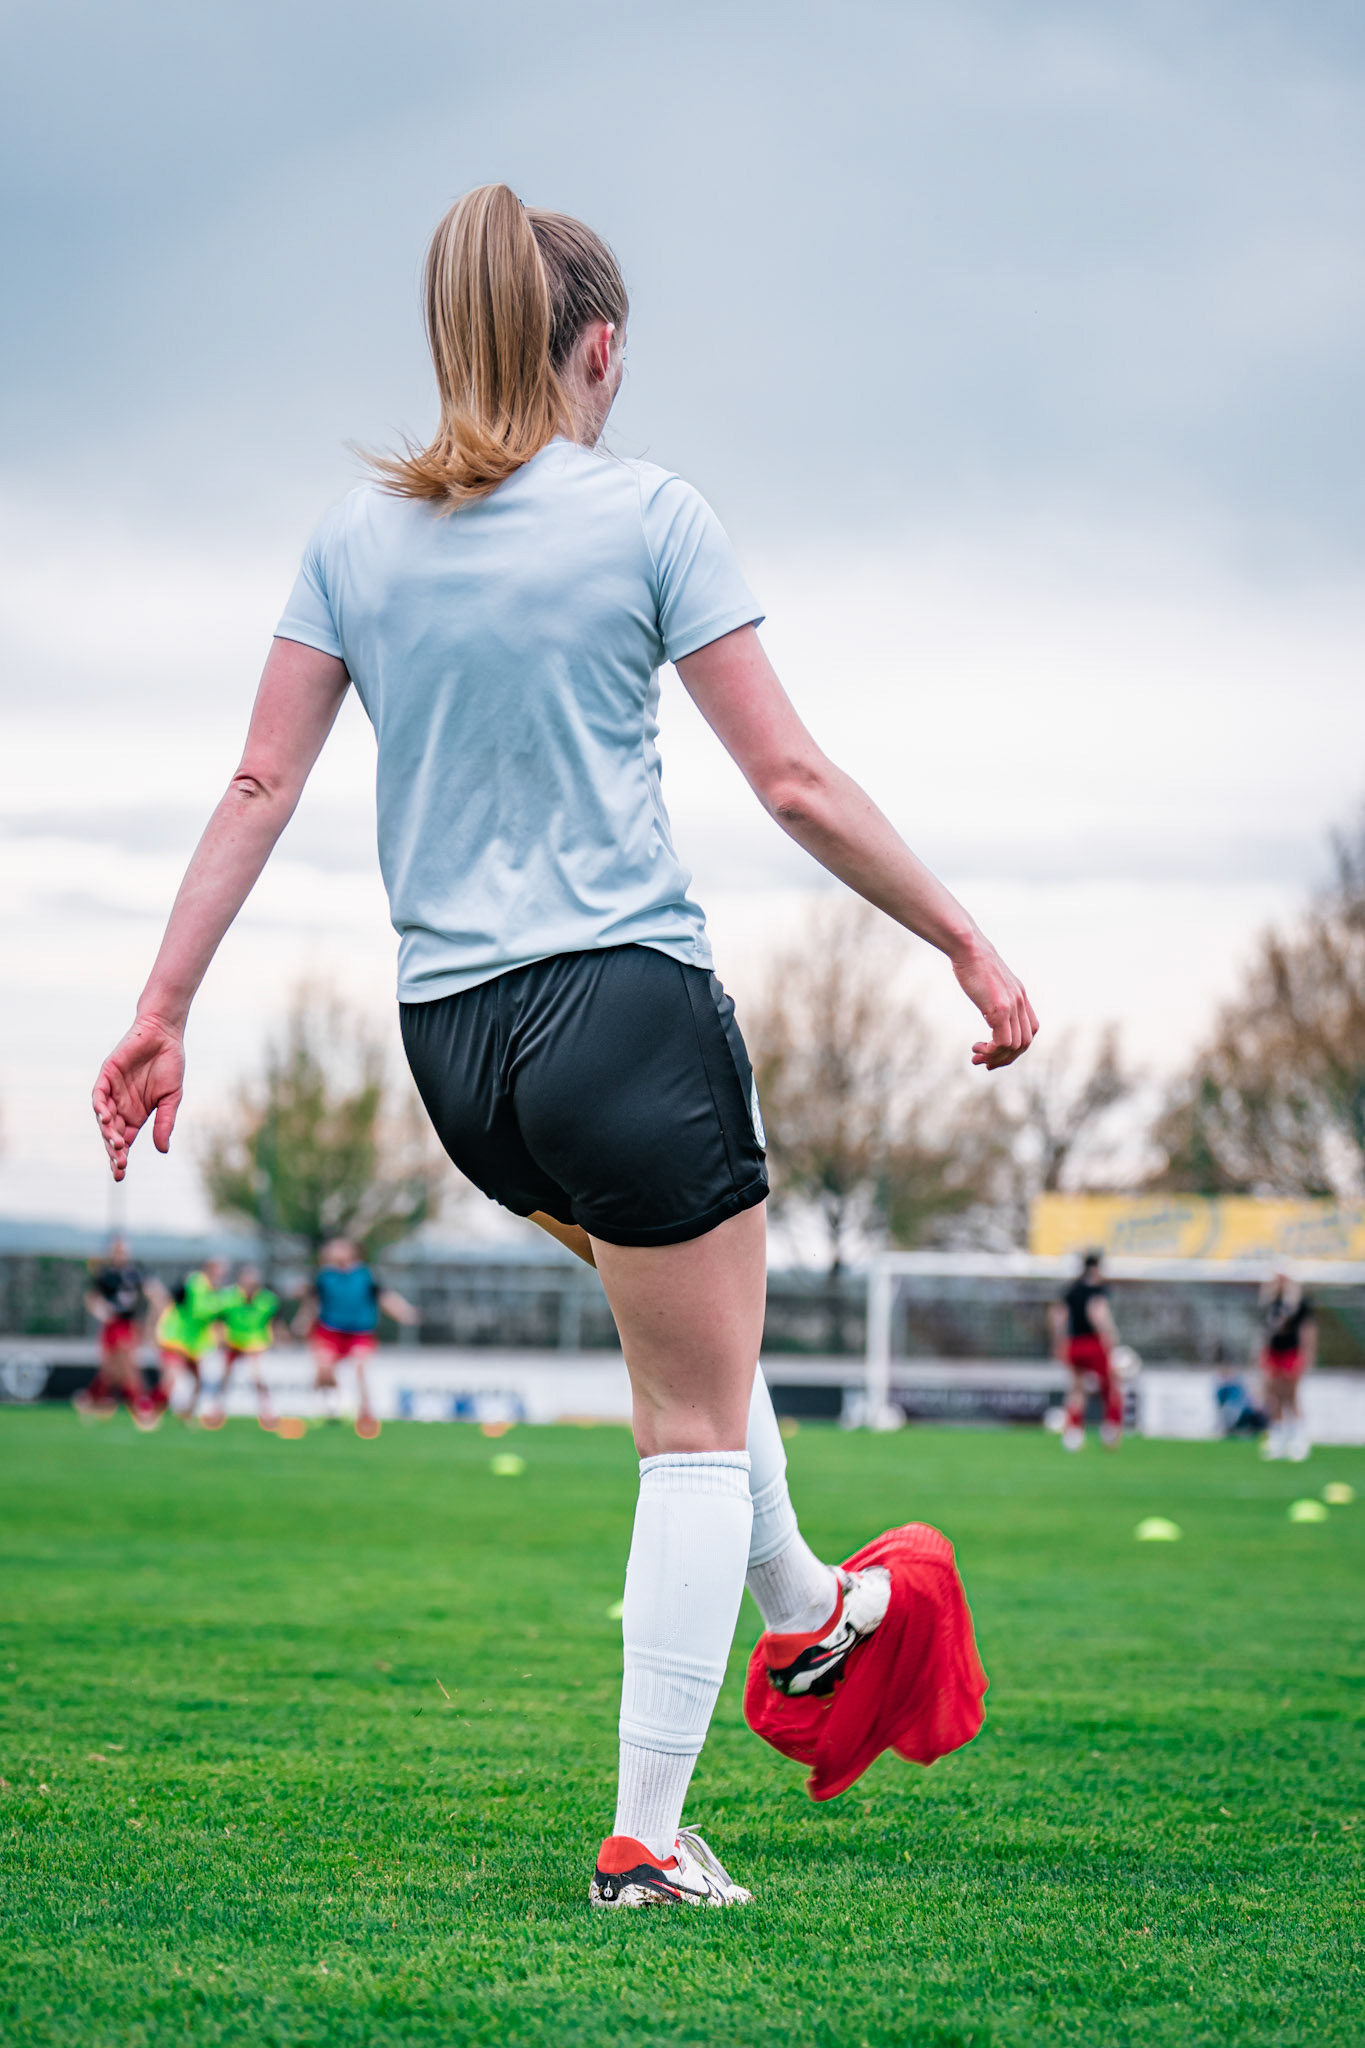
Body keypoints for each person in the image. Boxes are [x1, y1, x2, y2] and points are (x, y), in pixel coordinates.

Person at [92, 184, 1038, 1908]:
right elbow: (796, 780)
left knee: (692, 1359)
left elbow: (260, 781)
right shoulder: (653, 512)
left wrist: (159, 1009)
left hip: (460, 1053)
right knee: (689, 1416)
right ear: (597, 350)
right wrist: (962, 934)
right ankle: (649, 1834)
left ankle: (815, 1608)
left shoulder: (347, 539)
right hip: (623, 1011)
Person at [293, 1239, 418, 1437]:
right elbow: (313, 1301)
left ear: (352, 1252)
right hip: (330, 1330)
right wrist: (302, 1320)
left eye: (339, 1247)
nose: (333, 1251)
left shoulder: (366, 1275)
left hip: (360, 1332)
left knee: (360, 1369)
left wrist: (404, 1312)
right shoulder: (325, 1276)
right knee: (324, 1371)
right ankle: (331, 1406)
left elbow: (385, 1297)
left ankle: (366, 1414)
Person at [77, 1235, 155, 1424]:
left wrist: (151, 1324)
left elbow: (154, 1294)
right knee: (114, 1369)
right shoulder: (105, 1274)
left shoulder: (136, 1272)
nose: (120, 1254)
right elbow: (91, 1299)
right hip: (112, 1326)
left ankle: (93, 1399)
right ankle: (137, 1406)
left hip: (128, 1326)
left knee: (125, 1366)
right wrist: (102, 1312)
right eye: (117, 1250)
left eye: (122, 1250)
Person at [1050, 1251, 1123, 1451]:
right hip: (1093, 1343)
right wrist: (1110, 1337)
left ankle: (1073, 1434)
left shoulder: (1070, 1290)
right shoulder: (1097, 1290)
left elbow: (1058, 1316)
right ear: (1097, 1268)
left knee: (1077, 1388)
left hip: (1073, 1344)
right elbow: (1097, 1313)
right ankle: (1110, 1431)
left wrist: (1059, 1343)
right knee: (1110, 1386)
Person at [152, 1258, 231, 1422]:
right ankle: (151, 1412)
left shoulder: (214, 1291)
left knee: (198, 1382)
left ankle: (187, 1414)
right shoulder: (196, 1283)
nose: (220, 1275)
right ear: (208, 1269)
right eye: (218, 1270)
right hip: (176, 1338)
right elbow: (200, 1311)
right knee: (172, 1377)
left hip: (191, 1344)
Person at [204, 1263, 281, 1431]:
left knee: (258, 1378)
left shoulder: (267, 1299)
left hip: (255, 1342)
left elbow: (272, 1322)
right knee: (224, 1378)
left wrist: (272, 1339)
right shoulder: (228, 1297)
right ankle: (216, 1410)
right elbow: (218, 1320)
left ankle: (267, 1412)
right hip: (233, 1342)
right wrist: (219, 1339)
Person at [1258, 1269, 1316, 1462]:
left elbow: (1307, 1331)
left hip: (1291, 1354)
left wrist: (1306, 1355)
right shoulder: (1271, 1304)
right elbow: (1266, 1332)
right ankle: (1277, 1439)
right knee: (1274, 1397)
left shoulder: (1298, 1304)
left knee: (1291, 1397)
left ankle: (1299, 1439)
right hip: (1274, 1354)